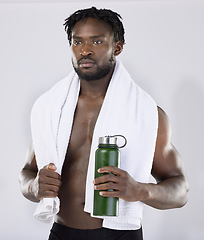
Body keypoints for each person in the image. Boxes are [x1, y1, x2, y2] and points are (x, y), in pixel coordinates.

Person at [19, 7, 189, 240]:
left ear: (117, 48)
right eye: (77, 42)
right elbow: (27, 173)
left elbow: (181, 190)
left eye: (97, 42)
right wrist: (33, 186)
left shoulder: (147, 113)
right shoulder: (49, 108)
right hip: (62, 233)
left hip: (121, 235)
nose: (85, 50)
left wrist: (141, 190)